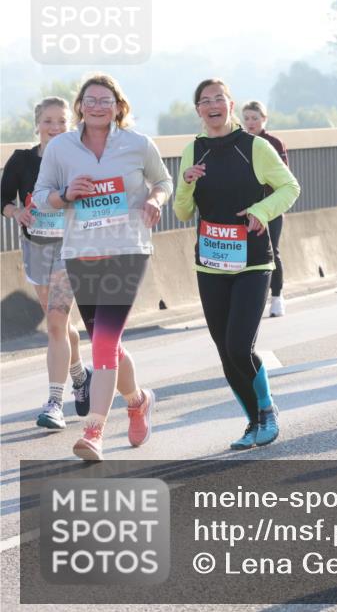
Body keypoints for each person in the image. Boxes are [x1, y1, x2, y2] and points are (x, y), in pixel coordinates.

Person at [33, 74, 173, 461]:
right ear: (80, 105)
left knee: (105, 345)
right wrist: (65, 195)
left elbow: (163, 180)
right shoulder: (60, 148)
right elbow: (42, 198)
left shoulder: (138, 144)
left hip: (128, 250)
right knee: (106, 345)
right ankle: (138, 399)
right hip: (81, 252)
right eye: (91, 99)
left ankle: (93, 431)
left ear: (118, 106)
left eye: (105, 100)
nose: (97, 106)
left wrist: (156, 200)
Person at [175, 79, 300, 449]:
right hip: (211, 263)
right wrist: (185, 184)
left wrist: (262, 210)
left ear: (230, 104)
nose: (212, 105)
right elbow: (183, 212)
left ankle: (267, 409)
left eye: (219, 98)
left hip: (252, 262)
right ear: (198, 110)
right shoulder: (193, 151)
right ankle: (252, 423)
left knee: (238, 345)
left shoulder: (255, 147)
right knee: (224, 351)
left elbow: (290, 187)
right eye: (204, 101)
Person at [1, 97, 92, 429]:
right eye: (48, 121)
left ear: (71, 124)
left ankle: (55, 403)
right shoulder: (22, 160)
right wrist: (17, 212)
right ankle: (81, 376)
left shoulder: (79, 160)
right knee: (62, 326)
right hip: (35, 248)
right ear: (37, 124)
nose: (55, 127)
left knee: (55, 324)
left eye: (61, 121)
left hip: (70, 250)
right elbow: (3, 199)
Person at [241, 100, 291, 318]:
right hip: (247, 208)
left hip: (271, 207)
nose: (251, 123)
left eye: (255, 118)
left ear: (264, 119)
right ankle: (251, 299)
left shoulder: (274, 143)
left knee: (272, 251)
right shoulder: (239, 142)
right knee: (247, 254)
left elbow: (284, 178)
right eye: (247, 119)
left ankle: (277, 296)